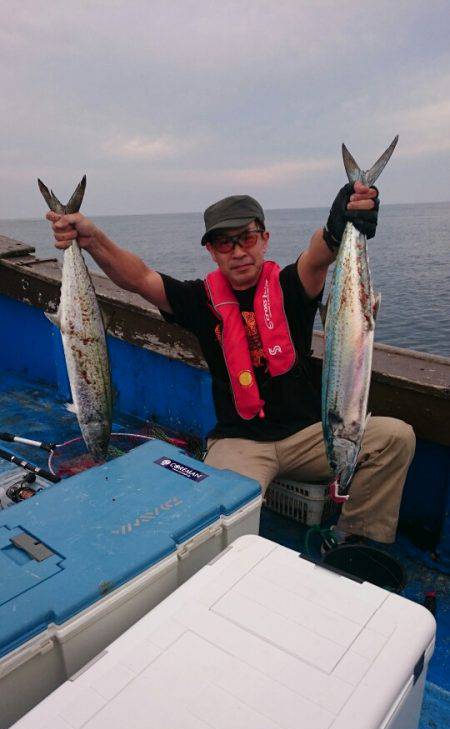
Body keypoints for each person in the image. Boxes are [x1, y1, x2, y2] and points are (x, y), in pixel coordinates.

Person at [46, 181, 415, 547]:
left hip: (311, 436)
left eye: (247, 238)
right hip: (239, 442)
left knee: (395, 438)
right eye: (225, 242)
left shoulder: (290, 285)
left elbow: (319, 255)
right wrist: (91, 239)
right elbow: (139, 278)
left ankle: (355, 538)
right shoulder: (198, 300)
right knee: (213, 514)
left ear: (265, 239)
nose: (238, 251)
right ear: (212, 252)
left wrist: (339, 228)